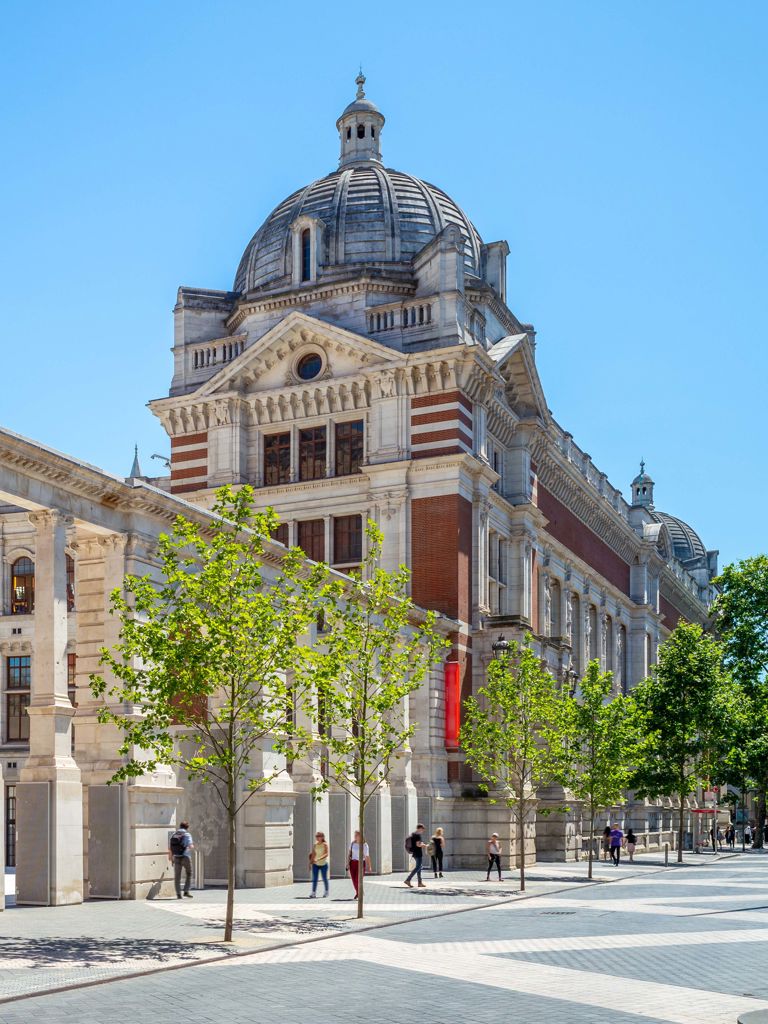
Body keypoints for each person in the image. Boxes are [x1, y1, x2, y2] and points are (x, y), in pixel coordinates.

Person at [168, 820, 194, 899]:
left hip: (176, 857)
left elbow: (170, 848)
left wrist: (171, 857)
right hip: (185, 857)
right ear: (187, 827)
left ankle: (178, 894)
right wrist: (191, 847)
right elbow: (190, 846)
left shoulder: (174, 834)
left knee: (177, 876)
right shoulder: (187, 834)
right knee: (189, 873)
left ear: (180, 826)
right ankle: (186, 891)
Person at [348, 831, 371, 898]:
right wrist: (347, 863)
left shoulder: (365, 845)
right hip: (352, 863)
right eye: (355, 835)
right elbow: (349, 854)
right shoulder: (352, 843)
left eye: (356, 835)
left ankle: (359, 893)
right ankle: (359, 892)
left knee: (358, 880)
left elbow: (367, 856)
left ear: (360, 836)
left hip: (360, 863)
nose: (355, 836)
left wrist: (369, 866)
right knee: (353, 880)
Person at [404, 823, 427, 888]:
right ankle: (408, 880)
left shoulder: (413, 834)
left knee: (419, 867)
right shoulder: (418, 835)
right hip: (418, 853)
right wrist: (424, 845)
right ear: (420, 828)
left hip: (414, 853)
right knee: (419, 867)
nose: (423, 831)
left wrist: (421, 843)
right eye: (422, 830)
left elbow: (416, 843)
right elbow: (418, 845)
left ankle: (420, 883)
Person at [309, 831, 329, 898]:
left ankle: (326, 892)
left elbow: (326, 854)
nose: (317, 837)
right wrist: (310, 863)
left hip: (323, 864)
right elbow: (313, 854)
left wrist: (318, 859)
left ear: (322, 837)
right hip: (315, 864)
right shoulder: (315, 845)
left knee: (324, 878)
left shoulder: (325, 844)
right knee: (315, 879)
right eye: (316, 836)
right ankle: (313, 893)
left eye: (318, 836)